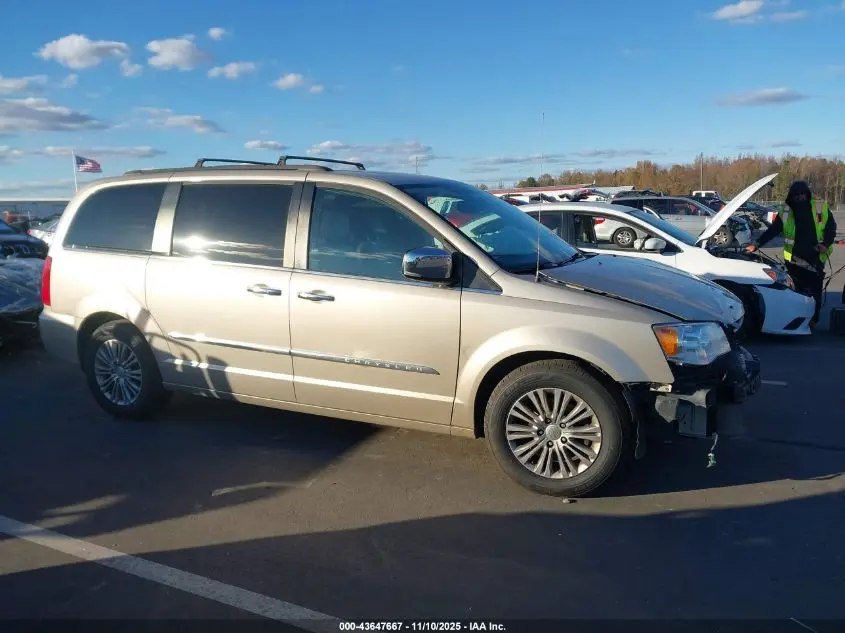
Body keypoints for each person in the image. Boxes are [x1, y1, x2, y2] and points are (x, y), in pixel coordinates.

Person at [745, 180, 837, 328]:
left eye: (802, 194)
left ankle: (813, 320)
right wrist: (756, 244)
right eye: (796, 195)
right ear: (791, 196)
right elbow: (773, 230)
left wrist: (825, 244)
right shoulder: (786, 211)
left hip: (815, 257)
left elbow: (831, 228)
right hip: (793, 259)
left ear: (807, 194)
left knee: (815, 291)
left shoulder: (820, 207)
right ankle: (798, 320)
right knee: (796, 292)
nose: (800, 197)